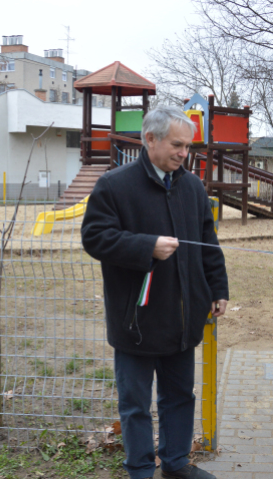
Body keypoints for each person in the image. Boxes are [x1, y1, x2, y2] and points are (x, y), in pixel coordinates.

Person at [81, 106, 228, 479]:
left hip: (182, 318)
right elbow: (94, 237)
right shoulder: (114, 185)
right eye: (177, 145)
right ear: (150, 139)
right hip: (137, 321)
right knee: (135, 405)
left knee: (180, 397)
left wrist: (218, 289)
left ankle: (176, 464)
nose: (184, 153)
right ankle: (141, 470)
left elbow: (208, 242)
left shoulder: (192, 186)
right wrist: (146, 246)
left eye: (188, 146)